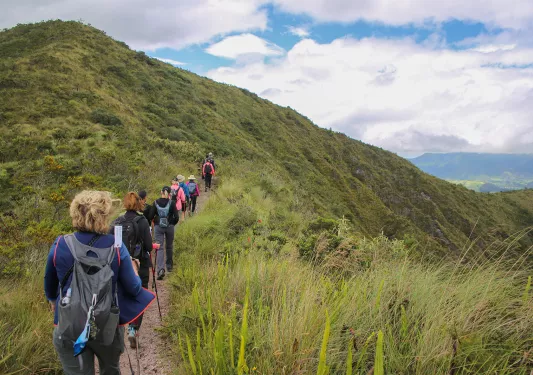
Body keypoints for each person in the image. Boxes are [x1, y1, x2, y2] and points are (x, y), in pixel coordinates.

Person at [44, 191, 155, 374]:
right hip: (107, 326)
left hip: (70, 325)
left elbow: (49, 288)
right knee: (110, 369)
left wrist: (56, 303)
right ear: (104, 216)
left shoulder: (60, 245)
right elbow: (134, 288)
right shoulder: (116, 247)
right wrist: (134, 268)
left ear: (75, 213)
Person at [113, 192, 159, 348]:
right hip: (140, 264)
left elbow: (114, 246)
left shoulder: (117, 221)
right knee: (139, 294)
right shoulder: (142, 221)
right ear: (138, 203)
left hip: (121, 264)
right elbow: (147, 246)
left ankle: (119, 326)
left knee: (122, 293)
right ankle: (133, 328)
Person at [146, 186, 179, 280]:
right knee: (169, 246)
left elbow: (150, 216)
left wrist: (156, 221)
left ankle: (160, 270)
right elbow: (176, 217)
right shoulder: (172, 203)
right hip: (169, 227)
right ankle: (169, 267)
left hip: (158, 227)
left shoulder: (155, 202)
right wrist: (171, 223)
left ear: (161, 192)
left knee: (159, 248)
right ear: (169, 193)